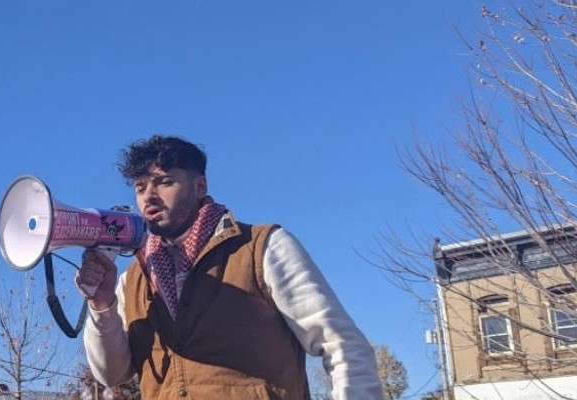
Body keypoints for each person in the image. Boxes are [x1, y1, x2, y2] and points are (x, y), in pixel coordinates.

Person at [75, 135, 380, 399]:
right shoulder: (134, 278)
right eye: (140, 187)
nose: (149, 196)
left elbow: (342, 346)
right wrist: (102, 306)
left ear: (200, 186)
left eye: (165, 182)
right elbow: (111, 375)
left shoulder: (261, 247)